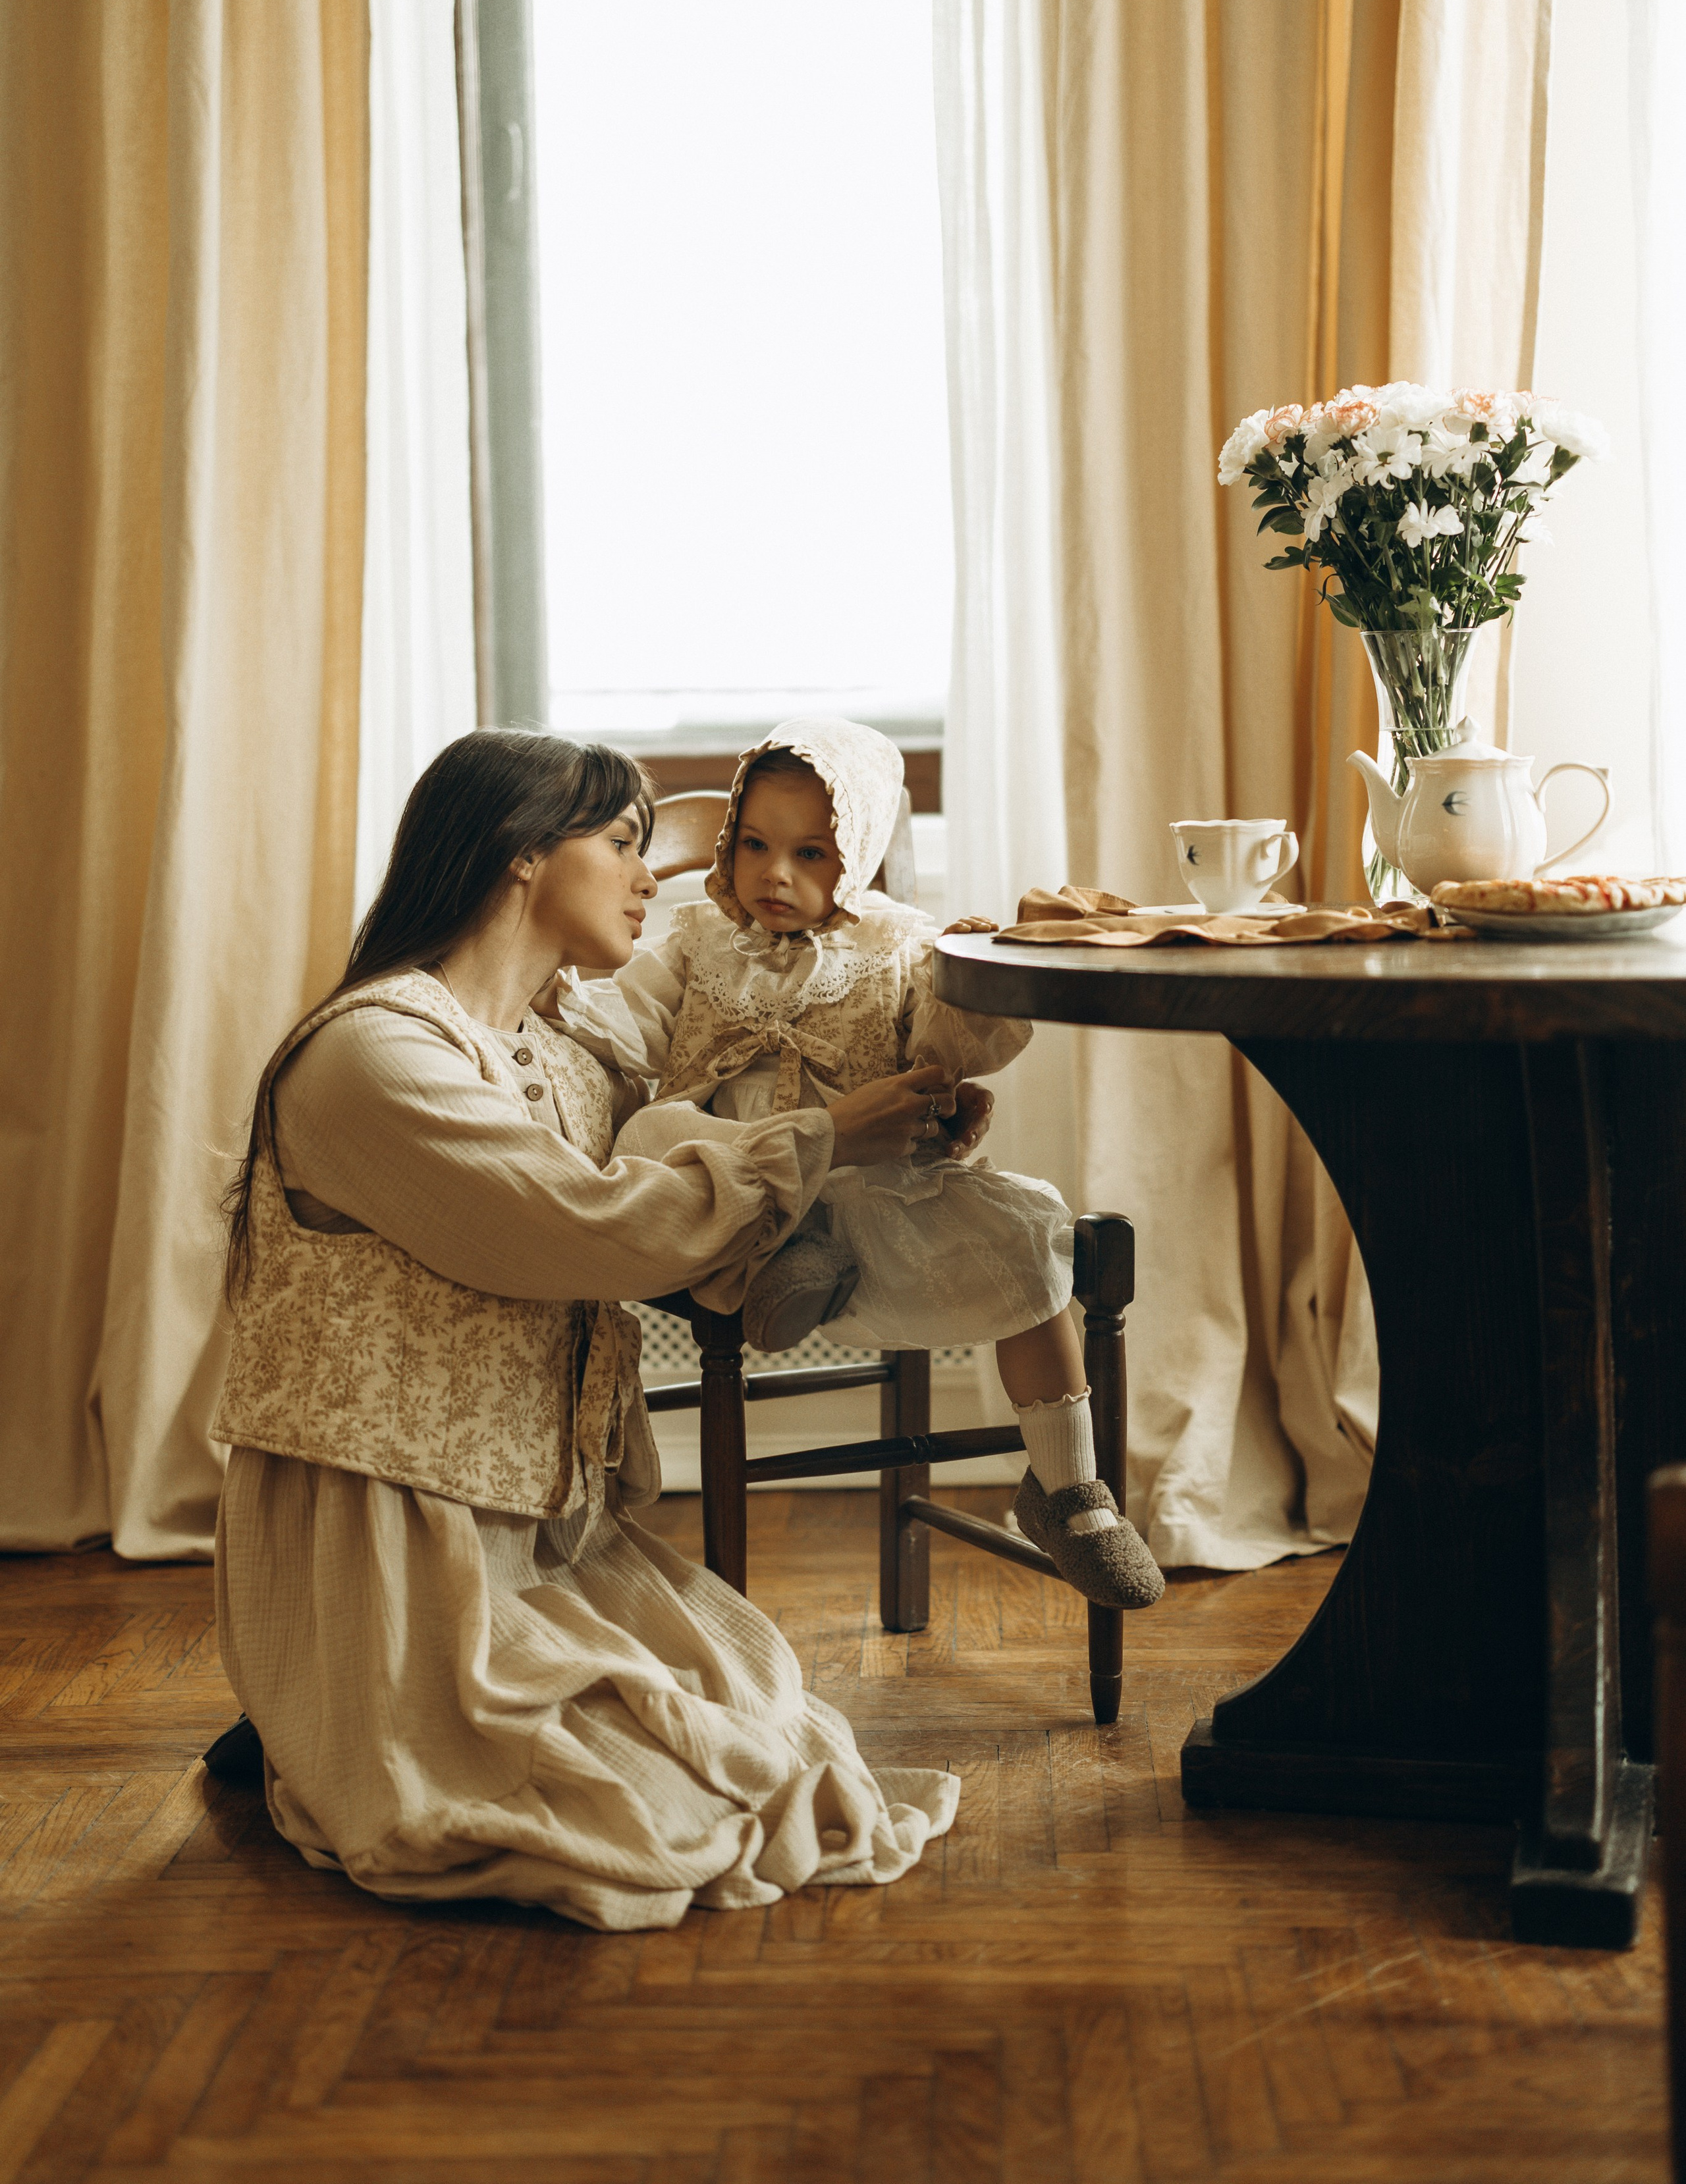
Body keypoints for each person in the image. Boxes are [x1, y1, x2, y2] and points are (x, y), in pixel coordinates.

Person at [211, 728, 965, 1932]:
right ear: (520, 857)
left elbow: (689, 1126)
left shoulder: (556, 1045)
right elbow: (597, 1225)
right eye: (620, 843)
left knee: (756, 1706)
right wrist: (824, 1142)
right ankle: (333, 1699)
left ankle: (328, 1721)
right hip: (395, 1517)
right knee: (640, 1811)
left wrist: (891, 1080)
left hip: (527, 1508)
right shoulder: (375, 1053)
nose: (651, 875)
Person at [561, 717, 1163, 1609]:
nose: (775, 874)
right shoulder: (695, 939)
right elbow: (624, 1023)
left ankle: (1070, 1492)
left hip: (871, 1187)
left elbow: (953, 1046)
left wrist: (993, 962)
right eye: (755, 844)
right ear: (729, 837)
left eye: (813, 854)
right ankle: (787, 1252)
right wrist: (548, 988)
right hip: (731, 1186)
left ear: (864, 851)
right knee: (654, 1133)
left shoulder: (901, 945)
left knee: (1024, 1241)